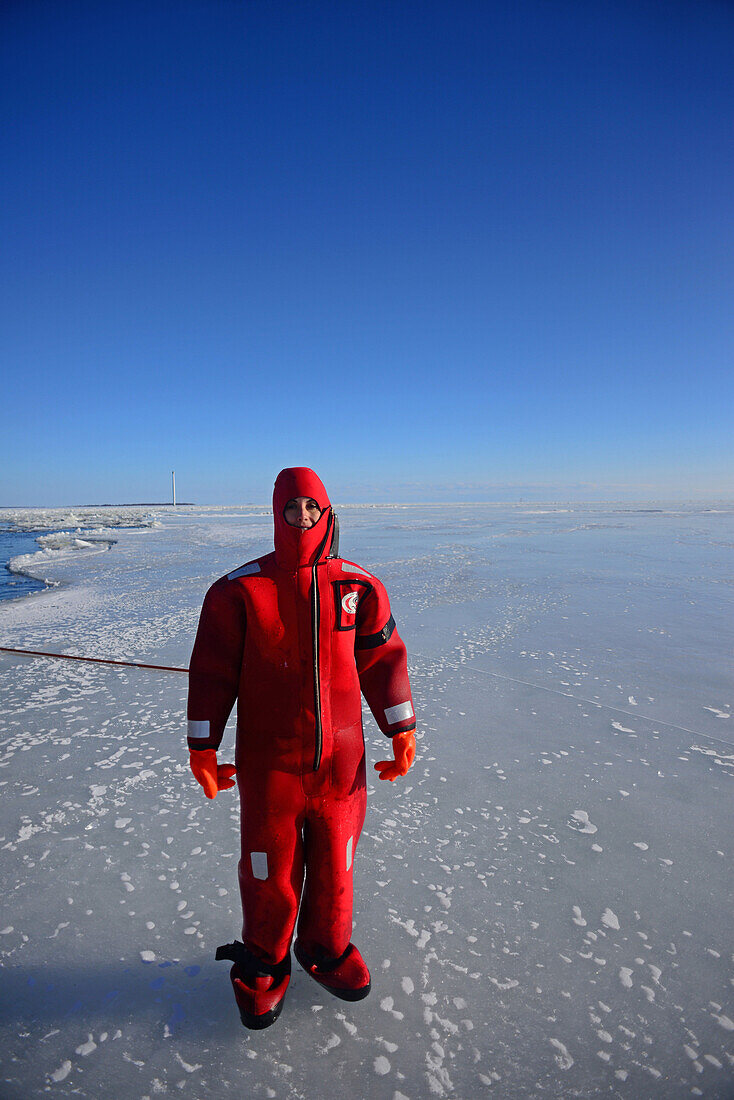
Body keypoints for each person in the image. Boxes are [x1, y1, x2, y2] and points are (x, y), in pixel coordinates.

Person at [186, 467, 416, 1029]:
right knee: (269, 871)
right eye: (292, 509)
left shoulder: (359, 586)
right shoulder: (239, 591)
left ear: (328, 512)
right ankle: (264, 961)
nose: (303, 518)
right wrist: (203, 746)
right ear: (276, 513)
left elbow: (383, 659)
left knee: (337, 867)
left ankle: (325, 949)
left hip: (342, 766)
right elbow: (212, 672)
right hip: (271, 769)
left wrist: (401, 728)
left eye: (312, 508)